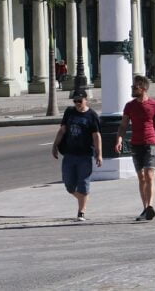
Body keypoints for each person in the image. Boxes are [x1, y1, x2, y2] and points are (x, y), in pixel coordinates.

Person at [115, 75, 155, 221]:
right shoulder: (130, 106)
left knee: (149, 175)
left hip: (150, 143)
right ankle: (145, 208)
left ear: (143, 88)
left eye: (135, 87)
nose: (132, 89)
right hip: (135, 144)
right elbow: (123, 125)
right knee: (141, 177)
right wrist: (119, 140)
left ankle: (150, 206)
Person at [51, 90, 102, 221]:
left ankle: (81, 211)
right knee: (69, 185)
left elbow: (96, 136)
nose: (77, 103)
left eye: (80, 101)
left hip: (84, 155)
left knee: (83, 183)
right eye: (75, 101)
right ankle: (83, 198)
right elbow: (62, 130)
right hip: (69, 154)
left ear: (86, 100)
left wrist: (99, 153)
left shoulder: (92, 115)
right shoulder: (69, 112)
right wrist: (55, 145)